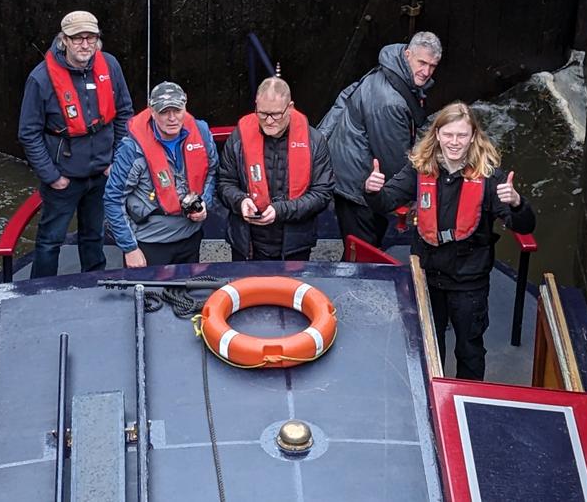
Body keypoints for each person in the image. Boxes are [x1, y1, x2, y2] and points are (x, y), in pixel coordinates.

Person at [363, 101, 535, 380]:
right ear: (438, 135)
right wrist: (372, 191)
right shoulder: (420, 169)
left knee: (469, 348)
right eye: (449, 135)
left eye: (462, 135)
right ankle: (433, 394)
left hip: (469, 280)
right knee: (430, 345)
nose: (454, 142)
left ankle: (469, 399)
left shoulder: (491, 178)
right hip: (428, 275)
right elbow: (386, 201)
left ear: (473, 137)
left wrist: (516, 203)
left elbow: (525, 224)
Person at [18, 11, 134, 278]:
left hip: (102, 172)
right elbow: (29, 133)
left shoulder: (111, 66)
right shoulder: (41, 79)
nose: (85, 45)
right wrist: (52, 176)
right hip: (64, 178)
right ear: (64, 40)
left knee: (94, 235)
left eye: (90, 38)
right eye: (77, 38)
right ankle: (41, 289)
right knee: (50, 241)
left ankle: (94, 283)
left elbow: (125, 113)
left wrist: (116, 159)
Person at [318, 31, 442, 248]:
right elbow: (394, 159)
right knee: (363, 245)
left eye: (432, 66)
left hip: (345, 166)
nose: (426, 72)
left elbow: (345, 97)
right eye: (422, 63)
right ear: (407, 54)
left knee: (357, 239)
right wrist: (411, 194)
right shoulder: (390, 102)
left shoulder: (389, 70)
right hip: (357, 184)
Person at [218, 77, 335, 261]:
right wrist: (240, 202)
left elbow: (322, 194)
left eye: (276, 114)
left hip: (294, 247)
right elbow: (225, 183)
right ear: (256, 105)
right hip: (247, 245)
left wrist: (281, 210)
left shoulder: (314, 141)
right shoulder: (238, 138)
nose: (269, 120)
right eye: (263, 113)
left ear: (290, 107)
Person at [104, 81, 218, 267]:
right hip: (150, 244)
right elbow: (112, 199)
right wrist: (130, 248)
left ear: (185, 107)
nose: (172, 118)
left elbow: (213, 171)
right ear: (152, 111)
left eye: (177, 110)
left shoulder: (202, 134)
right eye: (164, 112)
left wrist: (205, 202)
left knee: (187, 296)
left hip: (190, 239)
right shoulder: (131, 149)